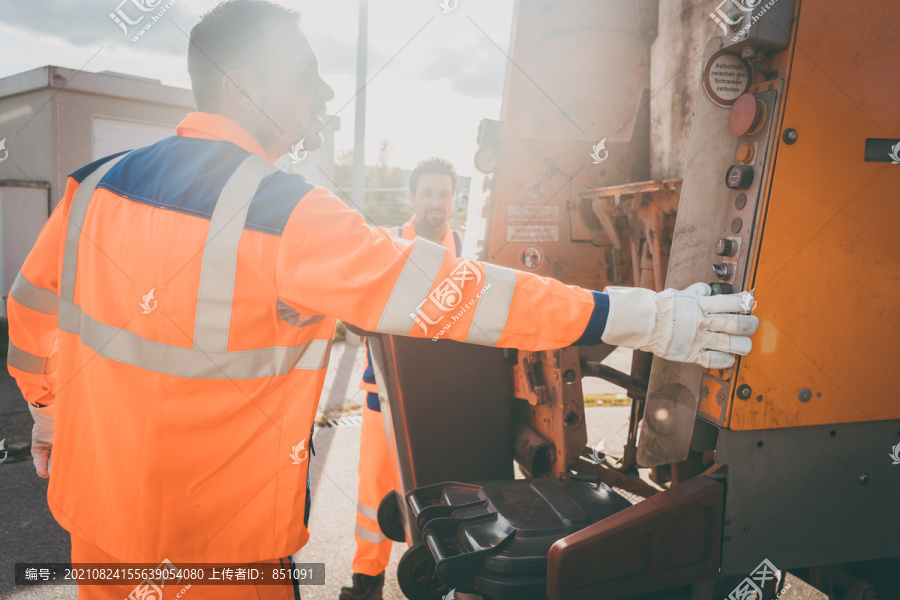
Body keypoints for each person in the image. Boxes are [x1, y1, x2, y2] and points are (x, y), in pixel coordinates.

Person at [5, 1, 758, 599]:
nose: (326, 91)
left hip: (97, 529)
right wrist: (654, 318)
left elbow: (30, 319)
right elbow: (467, 297)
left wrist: (45, 415)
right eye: (306, 74)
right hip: (213, 556)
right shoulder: (281, 211)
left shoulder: (93, 184)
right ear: (246, 88)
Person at [342, 158, 462, 600]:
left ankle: (440, 577)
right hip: (385, 393)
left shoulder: (463, 250)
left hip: (441, 394)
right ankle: (365, 583)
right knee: (374, 490)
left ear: (454, 199)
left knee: (440, 492)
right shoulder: (385, 245)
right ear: (411, 198)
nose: (436, 203)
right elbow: (352, 304)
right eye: (427, 193)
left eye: (444, 194)